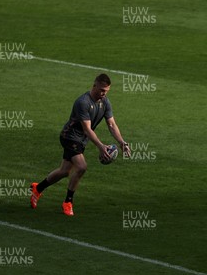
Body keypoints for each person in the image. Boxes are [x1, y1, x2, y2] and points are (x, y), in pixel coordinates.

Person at [30, 73, 131, 216]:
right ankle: (68, 202)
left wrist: (121, 142)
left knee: (64, 171)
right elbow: (87, 129)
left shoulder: (105, 103)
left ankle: (37, 188)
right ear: (94, 85)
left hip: (81, 140)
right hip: (69, 137)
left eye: (106, 91)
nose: (103, 94)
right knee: (82, 167)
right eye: (102, 90)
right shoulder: (82, 102)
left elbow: (112, 125)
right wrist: (101, 146)